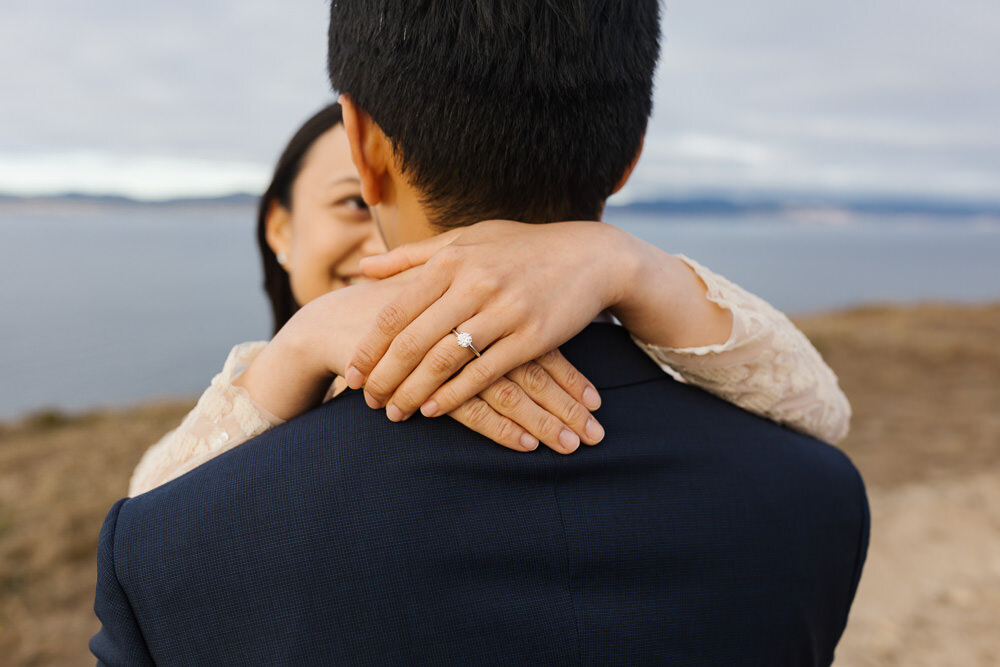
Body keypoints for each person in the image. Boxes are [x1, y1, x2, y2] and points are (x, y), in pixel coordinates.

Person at [92, 2, 869, 664]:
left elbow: (164, 514)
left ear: (364, 146)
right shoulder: (819, 499)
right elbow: (819, 412)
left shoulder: (174, 550)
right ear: (629, 155)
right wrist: (639, 270)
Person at [127, 103, 849, 496]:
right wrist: (302, 343)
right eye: (352, 205)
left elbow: (822, 409)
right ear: (280, 227)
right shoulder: (258, 393)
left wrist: (628, 265)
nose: (390, 253)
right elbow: (148, 518)